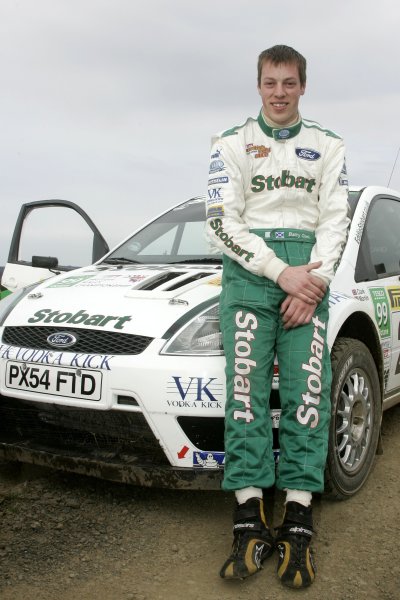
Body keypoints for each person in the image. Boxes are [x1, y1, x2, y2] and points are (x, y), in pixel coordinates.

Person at [205, 44, 349, 588]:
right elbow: (221, 221)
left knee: (306, 394)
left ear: (303, 86)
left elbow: (336, 219)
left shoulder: (328, 145)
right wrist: (278, 272)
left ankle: (298, 518)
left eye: (290, 83)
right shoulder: (229, 143)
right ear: (259, 85)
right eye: (271, 83)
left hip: (307, 277)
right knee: (244, 393)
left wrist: (312, 283)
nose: (280, 92)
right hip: (249, 278)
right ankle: (248, 517)